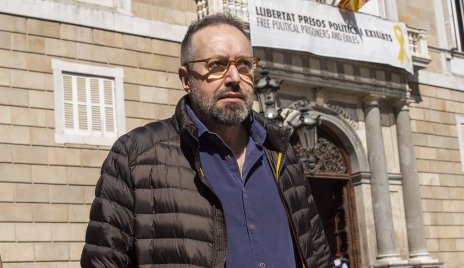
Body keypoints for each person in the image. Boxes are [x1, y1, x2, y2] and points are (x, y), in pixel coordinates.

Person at [81, 13, 332, 267]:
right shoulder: (135, 157)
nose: (234, 78)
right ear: (185, 79)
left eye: (244, 64)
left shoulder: (281, 153)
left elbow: (318, 256)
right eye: (217, 65)